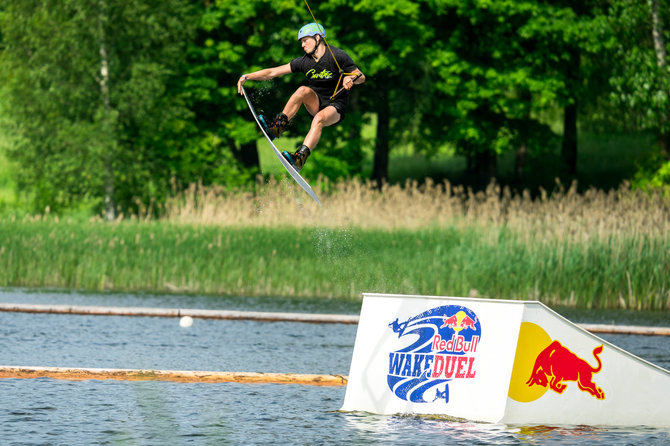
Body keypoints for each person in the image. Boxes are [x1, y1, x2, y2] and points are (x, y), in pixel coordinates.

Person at [237, 23, 365, 171]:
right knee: (302, 90)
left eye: (305, 40)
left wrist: (350, 79)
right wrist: (246, 76)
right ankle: (277, 128)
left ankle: (299, 158)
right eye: (301, 42)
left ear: (318, 38)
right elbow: (273, 72)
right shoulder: (304, 61)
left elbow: (361, 76)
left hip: (335, 106)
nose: (302, 45)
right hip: (315, 102)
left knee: (318, 120)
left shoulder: (337, 55)